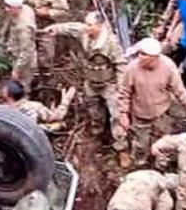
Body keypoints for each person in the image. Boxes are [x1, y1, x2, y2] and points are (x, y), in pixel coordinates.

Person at [42, 12, 126, 145]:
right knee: (93, 110)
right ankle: (97, 133)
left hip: (108, 84)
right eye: (86, 24)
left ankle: (120, 145)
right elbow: (72, 27)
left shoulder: (110, 42)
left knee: (116, 116)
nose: (87, 27)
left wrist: (121, 88)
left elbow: (121, 64)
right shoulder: (84, 32)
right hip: (90, 82)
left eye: (90, 25)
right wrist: (55, 28)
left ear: (99, 26)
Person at [117, 37, 186, 167]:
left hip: (162, 111)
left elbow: (179, 90)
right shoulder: (132, 68)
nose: (140, 57)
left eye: (144, 55)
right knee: (141, 144)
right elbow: (124, 92)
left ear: (154, 57)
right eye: (139, 54)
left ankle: (159, 165)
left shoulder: (168, 67)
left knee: (162, 140)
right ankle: (139, 164)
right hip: (141, 113)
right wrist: (123, 113)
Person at [1, 79, 76, 124]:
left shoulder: (2, 111)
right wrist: (65, 101)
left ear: (7, 95)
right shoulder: (35, 107)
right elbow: (57, 116)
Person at [5, 0, 38, 92]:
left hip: (25, 65)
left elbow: (26, 52)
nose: (6, 9)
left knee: (21, 89)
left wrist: (17, 70)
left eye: (9, 7)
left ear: (16, 7)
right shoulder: (27, 9)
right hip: (17, 54)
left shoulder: (24, 27)